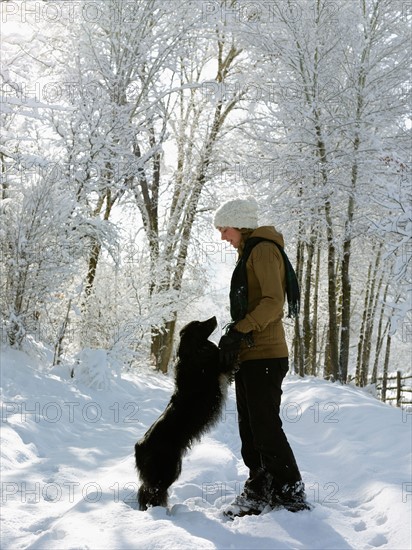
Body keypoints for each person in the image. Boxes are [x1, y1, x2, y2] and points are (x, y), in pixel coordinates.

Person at [214, 196, 310, 518]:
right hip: (251, 355)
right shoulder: (249, 253)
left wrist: (241, 329)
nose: (222, 237)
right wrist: (238, 337)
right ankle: (260, 486)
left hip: (266, 355)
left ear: (239, 225)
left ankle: (291, 491)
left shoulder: (264, 250)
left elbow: (273, 302)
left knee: (265, 427)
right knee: (250, 428)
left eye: (224, 229)